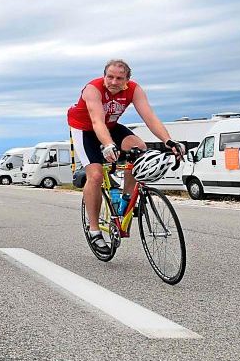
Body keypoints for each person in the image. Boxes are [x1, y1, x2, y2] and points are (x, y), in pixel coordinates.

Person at [68, 60, 184, 255]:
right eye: (110, 77)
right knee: (95, 175)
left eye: (119, 78)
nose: (113, 82)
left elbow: (150, 118)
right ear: (104, 76)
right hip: (85, 129)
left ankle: (126, 198)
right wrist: (107, 145)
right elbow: (97, 121)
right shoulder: (92, 89)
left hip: (111, 127)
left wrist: (168, 141)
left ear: (127, 81)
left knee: (139, 148)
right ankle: (95, 230)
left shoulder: (134, 90)